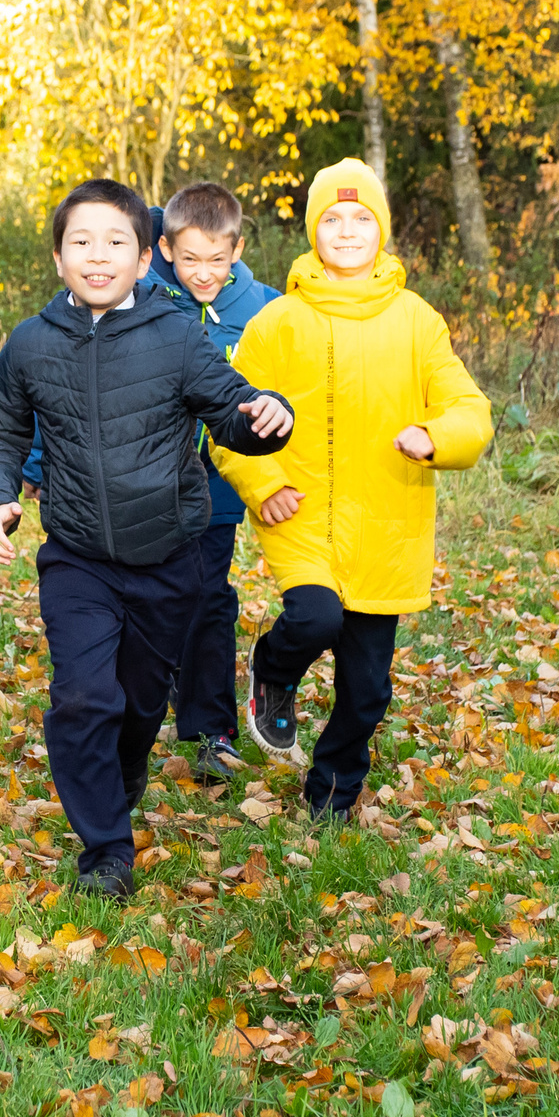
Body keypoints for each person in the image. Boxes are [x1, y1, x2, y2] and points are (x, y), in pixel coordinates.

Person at [0, 178, 295, 897]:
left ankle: (123, 768)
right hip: (78, 556)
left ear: (145, 257)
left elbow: (230, 406)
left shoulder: (176, 335)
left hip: (169, 556)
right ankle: (106, 848)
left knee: (141, 700)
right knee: (85, 696)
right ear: (58, 258)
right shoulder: (31, 343)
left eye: (115, 241)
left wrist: (269, 413)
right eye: (80, 241)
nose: (97, 255)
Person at [214, 160, 491, 819]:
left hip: (385, 527)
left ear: (381, 230)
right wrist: (263, 481)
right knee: (316, 616)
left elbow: (470, 412)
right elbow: (228, 418)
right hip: (299, 513)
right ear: (313, 231)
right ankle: (273, 670)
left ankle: (332, 795)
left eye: (361, 217)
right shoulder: (277, 323)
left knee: (367, 691)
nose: (346, 229)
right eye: (331, 218)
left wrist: (434, 433)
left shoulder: (418, 322)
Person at [27, 183, 281, 782]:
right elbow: (64, 388)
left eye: (217, 260)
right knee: (153, 612)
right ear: (162, 250)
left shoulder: (263, 308)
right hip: (134, 485)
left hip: (214, 487)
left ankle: (211, 729)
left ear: (236, 251)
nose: (203, 272)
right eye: (189, 259)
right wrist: (35, 466)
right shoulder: (135, 293)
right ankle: (135, 696)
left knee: (210, 600)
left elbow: (274, 397)